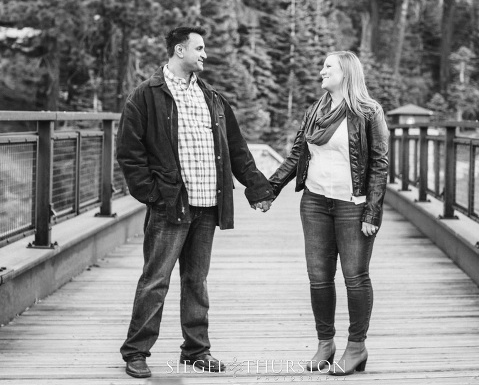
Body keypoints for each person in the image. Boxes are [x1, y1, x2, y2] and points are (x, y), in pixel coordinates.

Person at [116, 26, 275, 379]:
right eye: (199, 48)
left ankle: (196, 349)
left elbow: (236, 149)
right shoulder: (144, 96)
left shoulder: (212, 98)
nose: (205, 54)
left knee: (196, 280)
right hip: (171, 205)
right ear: (179, 50)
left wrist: (258, 189)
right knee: (156, 279)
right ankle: (136, 352)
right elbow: (129, 153)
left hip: (207, 205)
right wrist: (152, 194)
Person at [268, 51, 389, 376]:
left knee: (354, 277)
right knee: (319, 278)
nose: (321, 70)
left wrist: (372, 212)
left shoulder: (368, 111)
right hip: (315, 203)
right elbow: (297, 155)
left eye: (327, 66)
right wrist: (270, 189)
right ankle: (325, 344)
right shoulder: (315, 110)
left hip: (354, 205)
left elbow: (379, 163)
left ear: (346, 73)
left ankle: (356, 347)